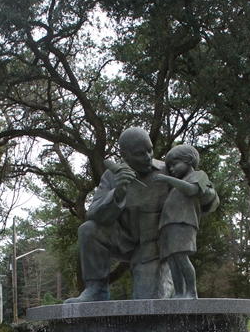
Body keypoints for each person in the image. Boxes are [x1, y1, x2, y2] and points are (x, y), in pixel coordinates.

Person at [65, 128, 171, 302]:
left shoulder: (168, 171)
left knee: (148, 305)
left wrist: (205, 196)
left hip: (154, 248)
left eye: (150, 150)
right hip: (122, 239)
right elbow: (93, 214)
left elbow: (197, 201)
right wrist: (117, 194)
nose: (147, 157)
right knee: (88, 230)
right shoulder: (112, 176)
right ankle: (96, 290)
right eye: (140, 153)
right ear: (125, 156)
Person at [153, 144, 217, 298]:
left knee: (181, 257)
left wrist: (166, 179)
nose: (172, 169)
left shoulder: (198, 175)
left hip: (183, 222)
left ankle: (191, 291)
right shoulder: (177, 185)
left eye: (174, 164)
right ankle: (179, 292)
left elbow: (192, 190)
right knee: (172, 260)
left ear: (188, 160)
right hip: (168, 225)